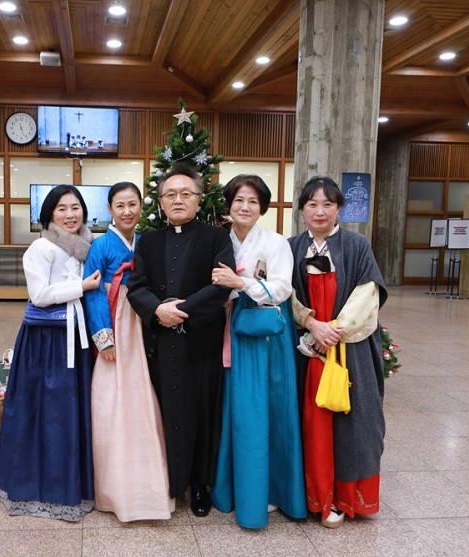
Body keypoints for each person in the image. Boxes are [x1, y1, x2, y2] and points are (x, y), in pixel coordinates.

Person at [127, 163, 235, 517]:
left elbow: (220, 285)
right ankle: (169, 482)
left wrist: (182, 310)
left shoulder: (217, 239)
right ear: (160, 202)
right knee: (164, 412)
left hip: (199, 343)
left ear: (198, 199)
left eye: (186, 193)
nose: (178, 200)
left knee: (202, 413)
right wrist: (157, 310)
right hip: (160, 343)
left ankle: (199, 486)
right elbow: (136, 287)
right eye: (170, 194)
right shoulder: (148, 241)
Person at [0, 184, 102, 521]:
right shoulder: (41, 247)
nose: (70, 215)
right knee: (45, 412)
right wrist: (80, 286)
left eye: (75, 208)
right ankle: (40, 486)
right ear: (49, 214)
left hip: (76, 336)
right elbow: (39, 295)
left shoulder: (86, 246)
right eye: (62, 209)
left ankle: (74, 483)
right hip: (47, 342)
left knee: (72, 410)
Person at [288, 176, 387, 529]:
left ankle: (344, 498)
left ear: (339, 209)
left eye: (327, 204)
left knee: (352, 423)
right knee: (310, 423)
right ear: (302, 210)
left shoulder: (357, 245)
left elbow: (367, 294)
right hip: (306, 348)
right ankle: (311, 494)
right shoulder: (291, 247)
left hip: (349, 350)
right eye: (312, 204)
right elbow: (285, 293)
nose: (320, 211)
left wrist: (333, 331)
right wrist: (312, 324)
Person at [209, 175, 307, 528]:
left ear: (263, 207)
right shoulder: (220, 241)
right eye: (238, 200)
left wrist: (241, 283)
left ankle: (267, 491)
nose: (245, 207)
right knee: (234, 409)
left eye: (252, 201)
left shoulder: (275, 242)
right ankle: (234, 488)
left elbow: (281, 288)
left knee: (266, 409)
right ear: (228, 205)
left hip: (264, 333)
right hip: (228, 328)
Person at [83, 182, 173, 522]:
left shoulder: (145, 241)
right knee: (112, 395)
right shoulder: (100, 245)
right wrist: (104, 338)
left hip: (144, 316)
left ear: (141, 206)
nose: (127, 211)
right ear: (110, 210)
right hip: (116, 320)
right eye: (119, 205)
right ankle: (113, 486)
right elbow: (93, 293)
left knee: (143, 392)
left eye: (132, 204)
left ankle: (149, 480)